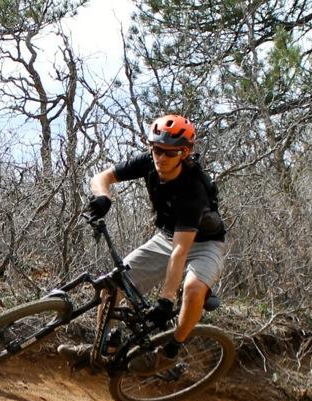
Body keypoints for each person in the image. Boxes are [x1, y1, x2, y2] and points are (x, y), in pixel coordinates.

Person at [59, 113, 226, 375]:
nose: (160, 157)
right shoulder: (148, 162)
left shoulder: (193, 189)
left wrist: (166, 300)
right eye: (156, 149)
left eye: (169, 153)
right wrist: (103, 197)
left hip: (204, 244)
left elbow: (181, 251)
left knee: (192, 290)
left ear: (183, 153)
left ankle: (170, 352)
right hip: (168, 237)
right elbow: (101, 177)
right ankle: (99, 350)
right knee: (113, 287)